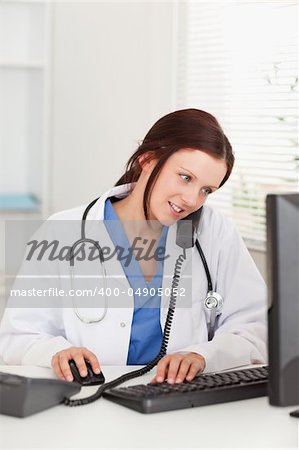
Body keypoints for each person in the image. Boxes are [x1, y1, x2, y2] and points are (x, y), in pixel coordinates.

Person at [0, 109, 267, 385]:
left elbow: (253, 330)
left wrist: (203, 356)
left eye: (206, 190)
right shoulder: (63, 231)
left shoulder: (215, 233)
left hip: (179, 402)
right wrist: (57, 353)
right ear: (148, 159)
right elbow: (19, 335)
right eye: (185, 177)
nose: (191, 199)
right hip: (89, 399)